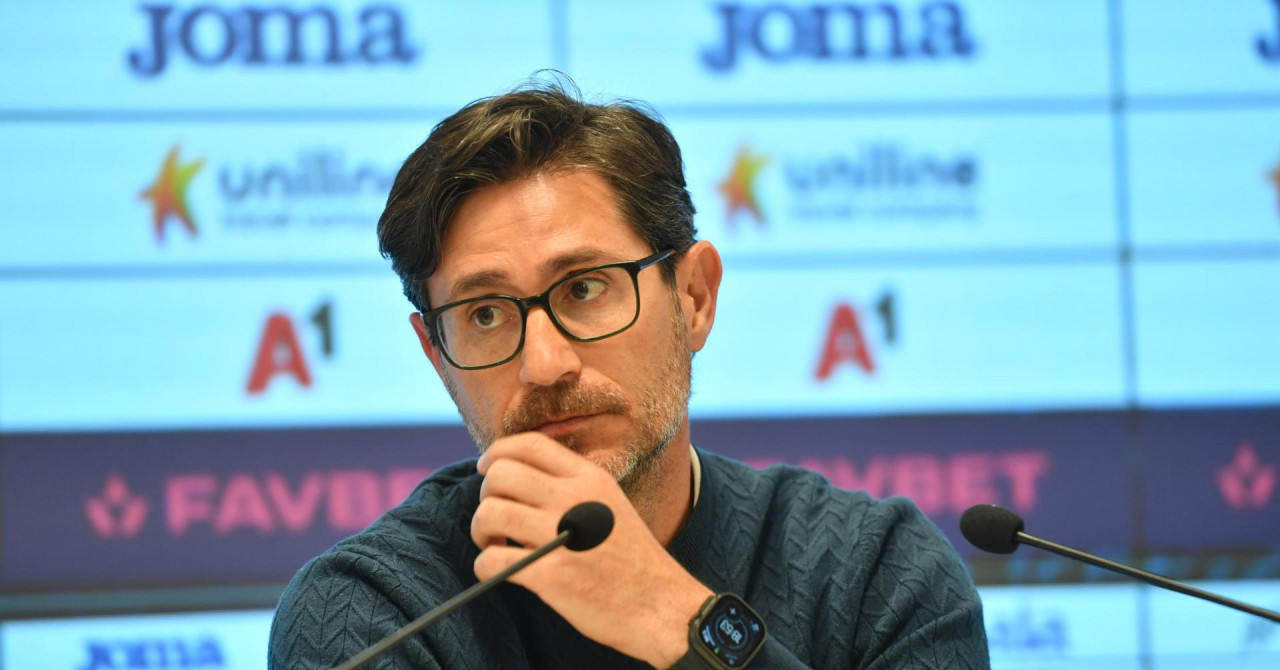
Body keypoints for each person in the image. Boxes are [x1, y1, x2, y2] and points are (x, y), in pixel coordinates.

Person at [269, 77, 989, 670]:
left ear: (694, 298)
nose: (544, 364)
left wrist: (671, 617)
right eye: (486, 314)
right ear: (437, 357)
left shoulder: (877, 572)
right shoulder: (371, 612)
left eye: (585, 288)